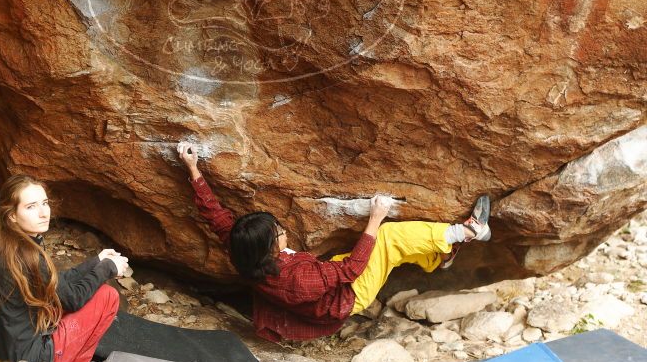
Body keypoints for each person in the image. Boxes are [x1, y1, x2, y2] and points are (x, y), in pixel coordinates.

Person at [176, 141, 491, 342]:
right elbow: (353, 270)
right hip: (350, 295)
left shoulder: (242, 249)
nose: (283, 228)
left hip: (331, 279)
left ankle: (442, 255)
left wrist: (192, 168)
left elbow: (215, 215)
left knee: (390, 254)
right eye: (278, 231)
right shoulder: (298, 279)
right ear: (271, 248)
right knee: (387, 238)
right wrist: (375, 217)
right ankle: (466, 232)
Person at [0, 174, 129, 362]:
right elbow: (73, 299)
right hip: (27, 357)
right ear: (12, 215)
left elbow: (54, 282)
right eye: (31, 206)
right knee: (106, 296)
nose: (43, 213)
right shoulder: (26, 254)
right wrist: (108, 268)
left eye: (44, 203)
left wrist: (96, 261)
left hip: (1, 347)